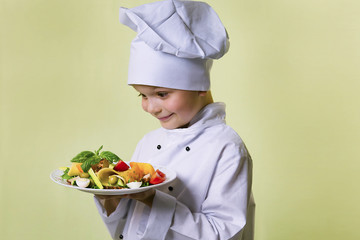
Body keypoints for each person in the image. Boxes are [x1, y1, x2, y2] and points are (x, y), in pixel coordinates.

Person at [94, 0, 255, 239]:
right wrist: (110, 198)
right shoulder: (147, 142)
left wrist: (153, 199)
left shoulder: (227, 148)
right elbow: (127, 228)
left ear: (199, 86)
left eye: (162, 94)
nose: (151, 107)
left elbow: (225, 232)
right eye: (142, 95)